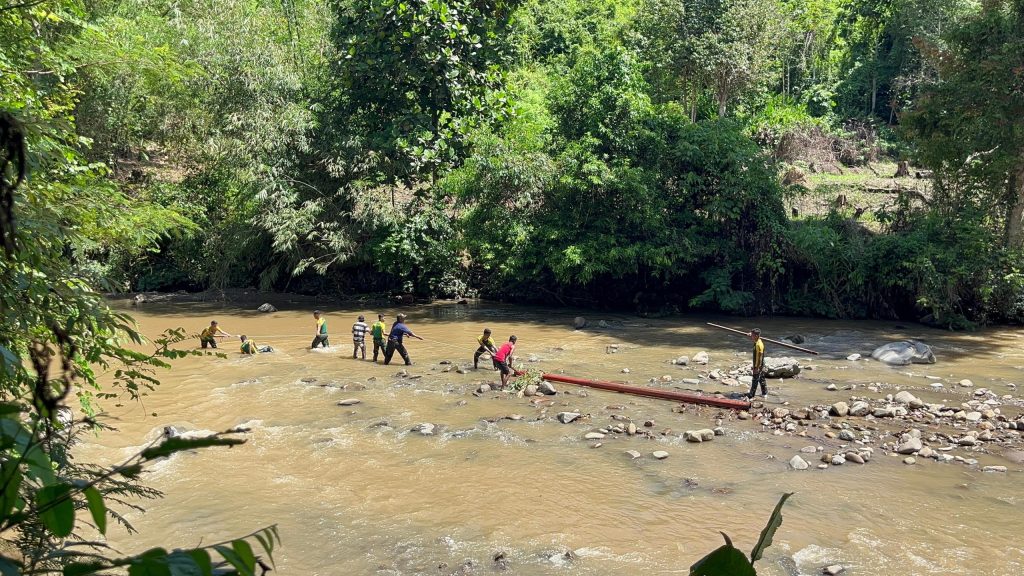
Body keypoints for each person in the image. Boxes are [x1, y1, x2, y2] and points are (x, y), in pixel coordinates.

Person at [748, 328, 767, 398]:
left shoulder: (759, 345)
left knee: (755, 380)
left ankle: (751, 395)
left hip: (759, 364)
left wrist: (757, 367)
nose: (751, 336)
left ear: (756, 336)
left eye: (752, 335)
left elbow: (760, 357)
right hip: (759, 364)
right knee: (761, 379)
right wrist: (750, 335)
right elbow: (754, 338)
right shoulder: (757, 341)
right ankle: (764, 393)